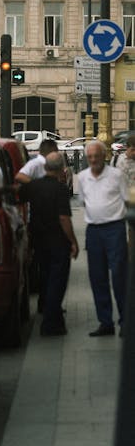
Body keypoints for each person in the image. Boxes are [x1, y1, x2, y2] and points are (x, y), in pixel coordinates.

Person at [18, 152, 79, 336]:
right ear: (62, 169)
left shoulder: (34, 186)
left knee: (45, 277)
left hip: (39, 240)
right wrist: (73, 241)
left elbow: (17, 193)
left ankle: (50, 314)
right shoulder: (60, 189)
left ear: (45, 168)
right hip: (57, 241)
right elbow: (64, 218)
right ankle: (51, 323)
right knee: (57, 281)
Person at [77, 139, 129, 337]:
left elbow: (126, 199)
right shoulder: (82, 177)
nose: (93, 160)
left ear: (104, 155)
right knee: (97, 277)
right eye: (89, 157)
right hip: (94, 231)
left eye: (96, 156)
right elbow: (83, 201)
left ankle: (126, 321)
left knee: (119, 276)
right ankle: (105, 322)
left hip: (115, 229)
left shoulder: (116, 176)